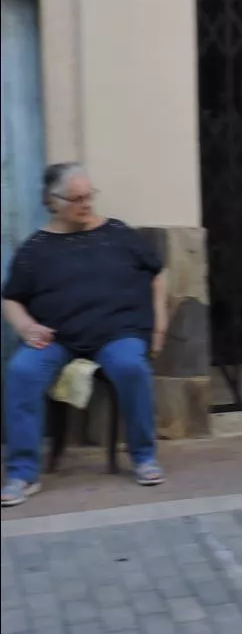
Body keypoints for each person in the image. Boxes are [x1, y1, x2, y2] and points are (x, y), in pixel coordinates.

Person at [1, 163, 168, 507]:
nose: (86, 204)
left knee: (130, 367)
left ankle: (143, 456)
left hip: (117, 331)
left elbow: (156, 274)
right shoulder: (36, 249)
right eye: (76, 199)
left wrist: (160, 324)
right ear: (52, 201)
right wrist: (26, 327)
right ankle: (22, 474)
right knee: (22, 371)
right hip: (58, 337)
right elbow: (11, 298)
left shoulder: (118, 233)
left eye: (89, 196)